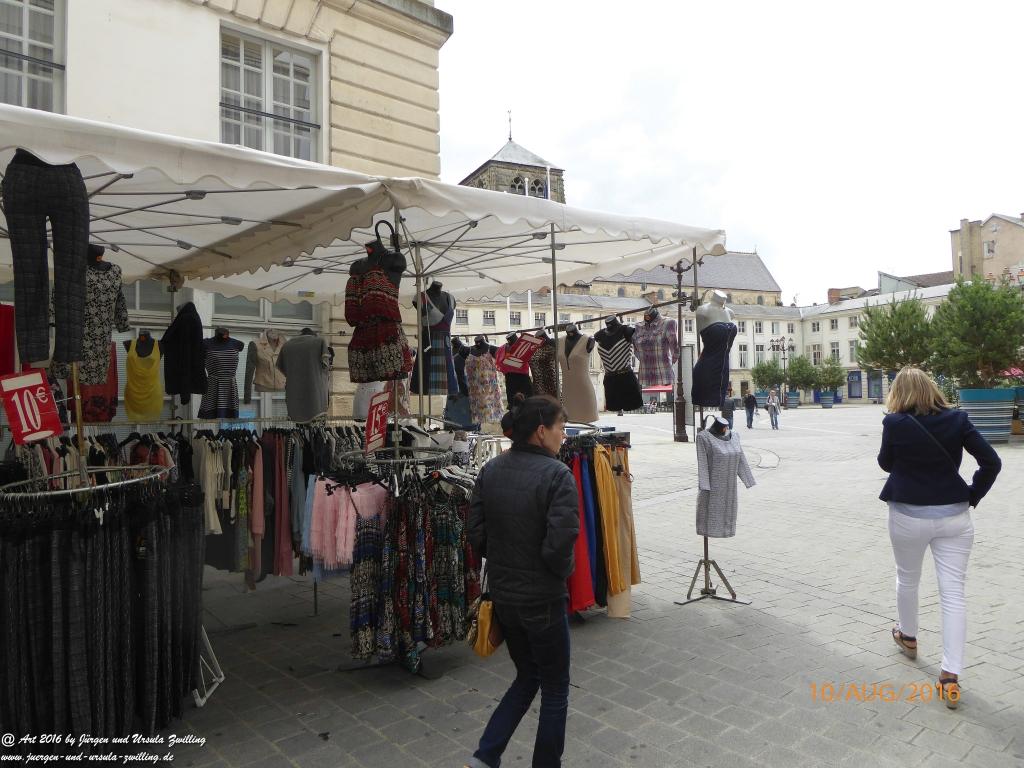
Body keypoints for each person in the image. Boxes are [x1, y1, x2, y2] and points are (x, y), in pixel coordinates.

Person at [466, 394, 580, 768]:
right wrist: (557, 574)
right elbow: (559, 546)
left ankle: (485, 756)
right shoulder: (558, 476)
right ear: (541, 431)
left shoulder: (491, 470)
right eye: (561, 427)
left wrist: (505, 559)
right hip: (542, 600)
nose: (564, 435)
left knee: (527, 676)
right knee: (555, 689)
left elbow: (476, 533)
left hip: (505, 597)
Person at [877, 367, 1001, 709]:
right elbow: (991, 462)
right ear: (932, 388)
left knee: (907, 578)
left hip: (907, 515)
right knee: (953, 594)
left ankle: (908, 637)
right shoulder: (958, 419)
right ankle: (950, 676)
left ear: (898, 393)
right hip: (954, 517)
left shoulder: (894, 423)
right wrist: (972, 494)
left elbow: (885, 464)